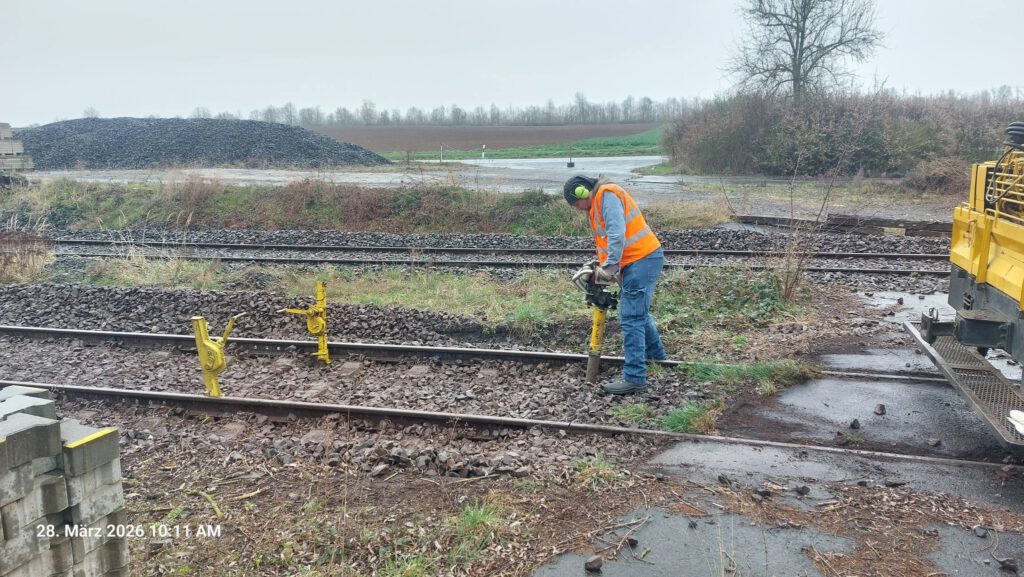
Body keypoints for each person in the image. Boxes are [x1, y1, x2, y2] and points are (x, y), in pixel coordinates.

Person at [564, 175, 667, 395]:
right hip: (637, 261)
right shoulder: (597, 204)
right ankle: (657, 357)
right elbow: (607, 241)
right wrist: (609, 268)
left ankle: (635, 378)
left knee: (631, 317)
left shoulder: (606, 196)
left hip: (641, 259)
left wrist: (609, 268)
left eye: (575, 204)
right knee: (639, 312)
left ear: (583, 193)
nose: (576, 209)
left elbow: (616, 233)